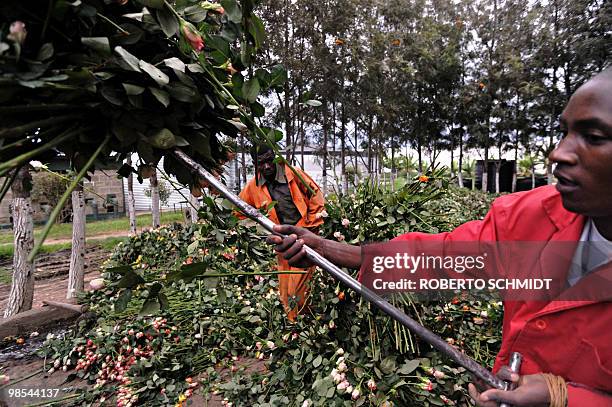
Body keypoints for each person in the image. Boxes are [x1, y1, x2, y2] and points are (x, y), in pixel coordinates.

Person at [266, 68, 612, 406]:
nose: (558, 153)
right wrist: (328, 248)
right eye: (564, 132)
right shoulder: (533, 215)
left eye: (594, 137)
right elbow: (446, 255)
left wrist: (563, 397)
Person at [238, 143, 325, 320]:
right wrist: (258, 230)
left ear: (276, 157)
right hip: (282, 246)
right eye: (261, 163)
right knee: (285, 293)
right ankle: (298, 325)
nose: (267, 166)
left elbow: (316, 197)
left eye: (270, 161)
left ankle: (301, 325)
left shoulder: (292, 174)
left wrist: (308, 228)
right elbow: (238, 211)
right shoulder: (253, 186)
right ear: (255, 164)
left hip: (303, 240)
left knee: (296, 290)